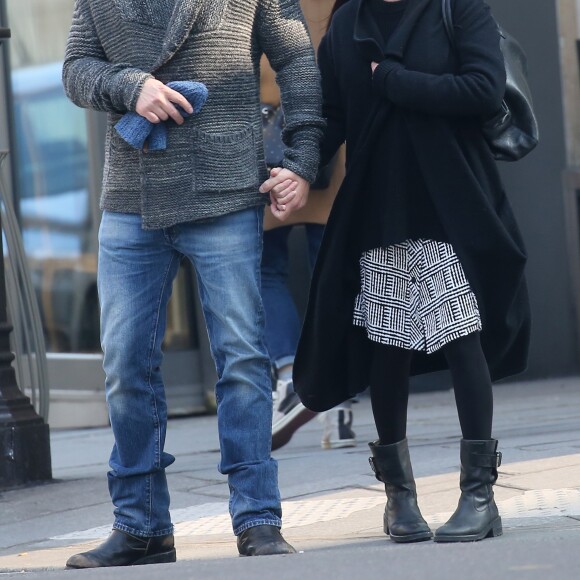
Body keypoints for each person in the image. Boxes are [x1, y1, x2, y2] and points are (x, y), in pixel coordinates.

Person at [61, 0, 324, 567]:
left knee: (242, 357)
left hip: (224, 186)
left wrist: (301, 161)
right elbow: (76, 67)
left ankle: (258, 517)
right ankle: (141, 525)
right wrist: (130, 87)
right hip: (132, 193)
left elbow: (298, 62)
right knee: (125, 362)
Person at [266, 0, 531, 544]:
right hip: (380, 204)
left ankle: (479, 496)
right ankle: (399, 500)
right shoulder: (347, 24)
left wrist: (394, 79)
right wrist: (298, 171)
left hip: (449, 201)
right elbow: (332, 114)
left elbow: (483, 88)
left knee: (461, 338)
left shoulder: (457, 9)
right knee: (388, 346)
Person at [259, 5, 356, 451]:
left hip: (261, 131)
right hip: (322, 127)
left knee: (265, 269)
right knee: (329, 269)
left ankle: (289, 379)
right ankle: (340, 407)